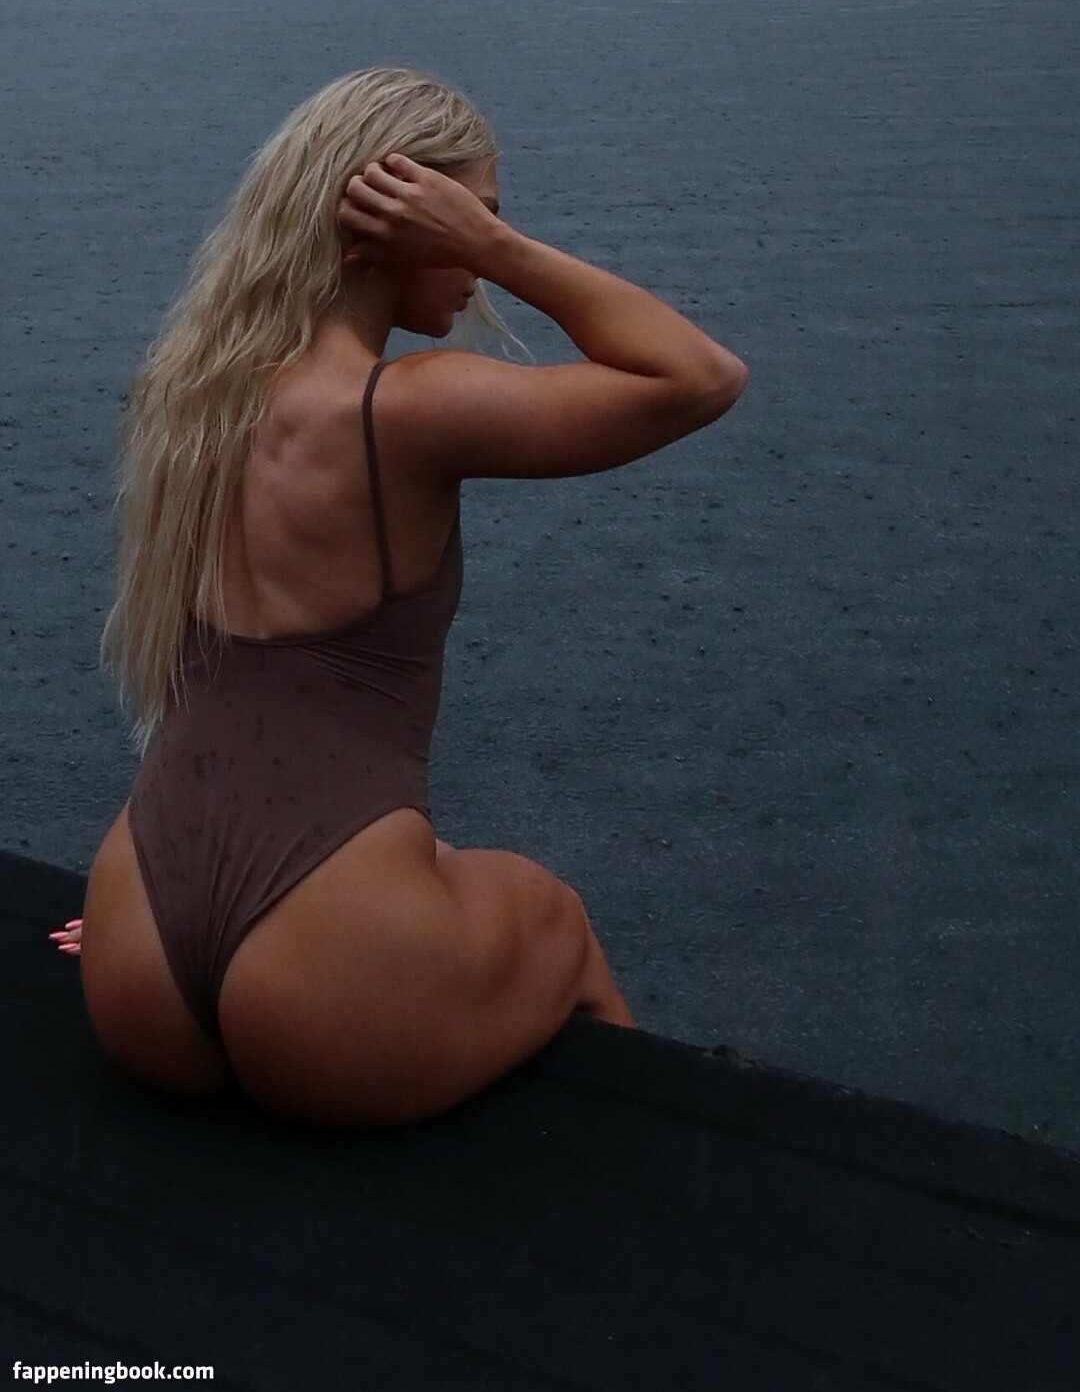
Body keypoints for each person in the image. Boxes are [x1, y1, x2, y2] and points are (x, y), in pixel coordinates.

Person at [63, 66, 749, 1130]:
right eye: (472, 217)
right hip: (322, 972)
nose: (478, 259)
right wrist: (503, 252)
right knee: (557, 919)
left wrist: (191, 912)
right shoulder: (406, 407)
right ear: (394, 221)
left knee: (435, 870)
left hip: (136, 931)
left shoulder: (193, 393)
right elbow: (699, 376)